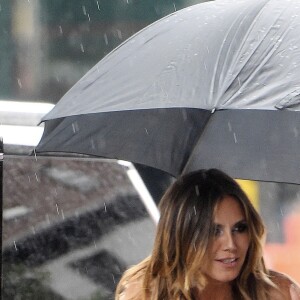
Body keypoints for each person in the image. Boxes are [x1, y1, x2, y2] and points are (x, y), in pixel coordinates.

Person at [115, 169, 300, 300]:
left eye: (239, 228)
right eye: (214, 231)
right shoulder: (145, 294)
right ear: (183, 236)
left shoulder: (278, 293)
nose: (230, 244)